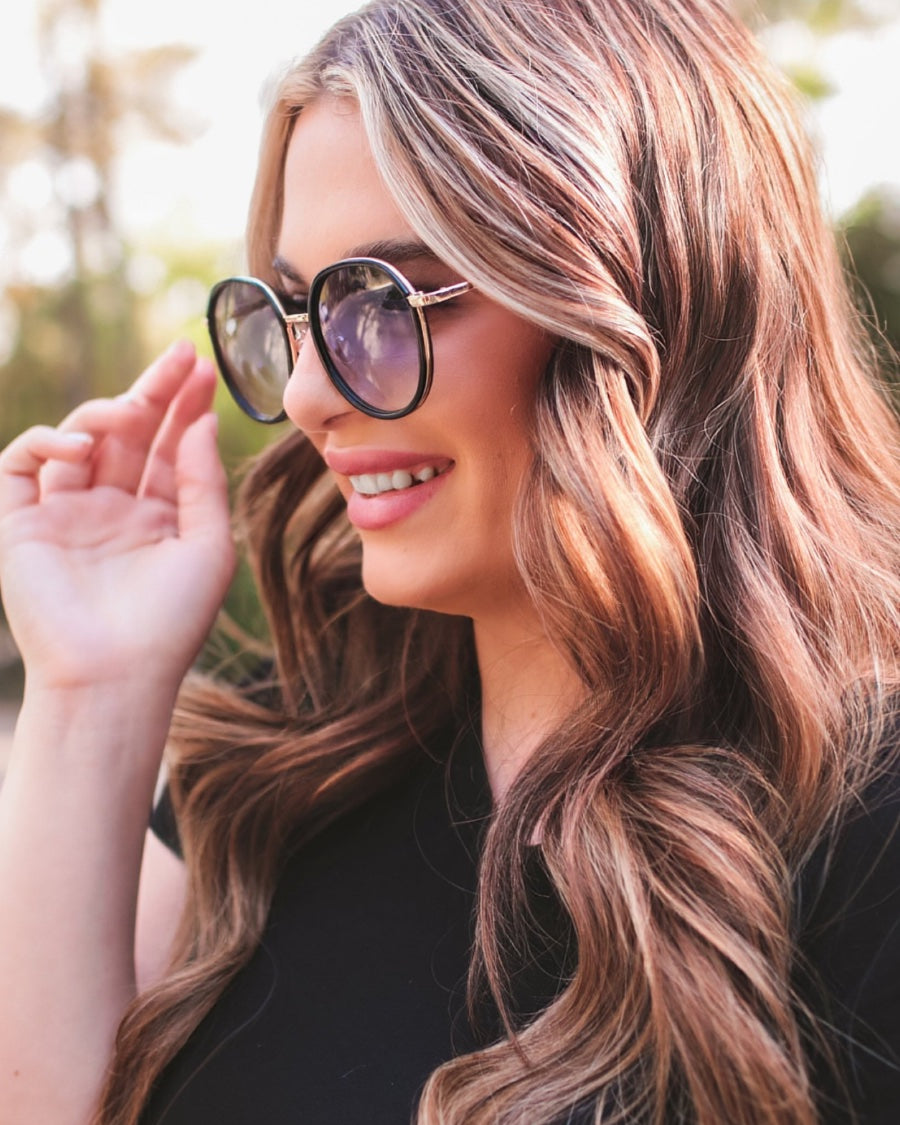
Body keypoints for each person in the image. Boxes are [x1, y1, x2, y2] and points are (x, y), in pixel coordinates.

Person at [1, 0, 899, 1121]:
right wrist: (90, 689)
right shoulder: (289, 777)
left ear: (634, 301)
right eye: (294, 310)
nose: (312, 396)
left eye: (380, 300)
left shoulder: (864, 820)